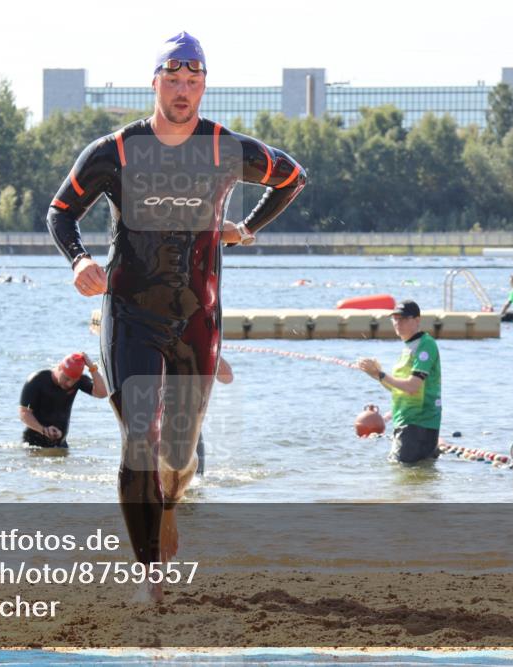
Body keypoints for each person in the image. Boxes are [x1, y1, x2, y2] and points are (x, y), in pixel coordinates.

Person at [46, 31, 306, 601]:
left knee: (180, 457)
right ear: (155, 81)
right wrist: (79, 260)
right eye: (174, 79)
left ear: (204, 85)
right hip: (130, 313)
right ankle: (149, 578)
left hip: (197, 318)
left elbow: (291, 176)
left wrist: (248, 227)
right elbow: (60, 213)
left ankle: (169, 501)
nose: (183, 90)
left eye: (194, 81)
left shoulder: (224, 148)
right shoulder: (114, 150)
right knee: (139, 439)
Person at [358, 300, 442, 464]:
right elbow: (398, 388)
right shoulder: (408, 347)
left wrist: (380, 374)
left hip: (418, 423)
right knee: (416, 477)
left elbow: (412, 386)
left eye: (403, 319)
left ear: (417, 320)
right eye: (395, 319)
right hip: (406, 421)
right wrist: (374, 374)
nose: (398, 323)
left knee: (400, 471)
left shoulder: (425, 345)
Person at [18, 353, 108, 449]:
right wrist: (43, 430)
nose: (69, 384)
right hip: (33, 445)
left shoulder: (79, 381)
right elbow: (24, 413)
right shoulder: (37, 380)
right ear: (60, 368)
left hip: (61, 445)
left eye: (73, 380)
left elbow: (102, 393)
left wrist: (92, 367)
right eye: (67, 378)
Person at [195, 355, 234, 476]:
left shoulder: (197, 345)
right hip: (153, 419)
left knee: (197, 480)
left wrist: (213, 353)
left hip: (189, 423)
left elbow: (227, 378)